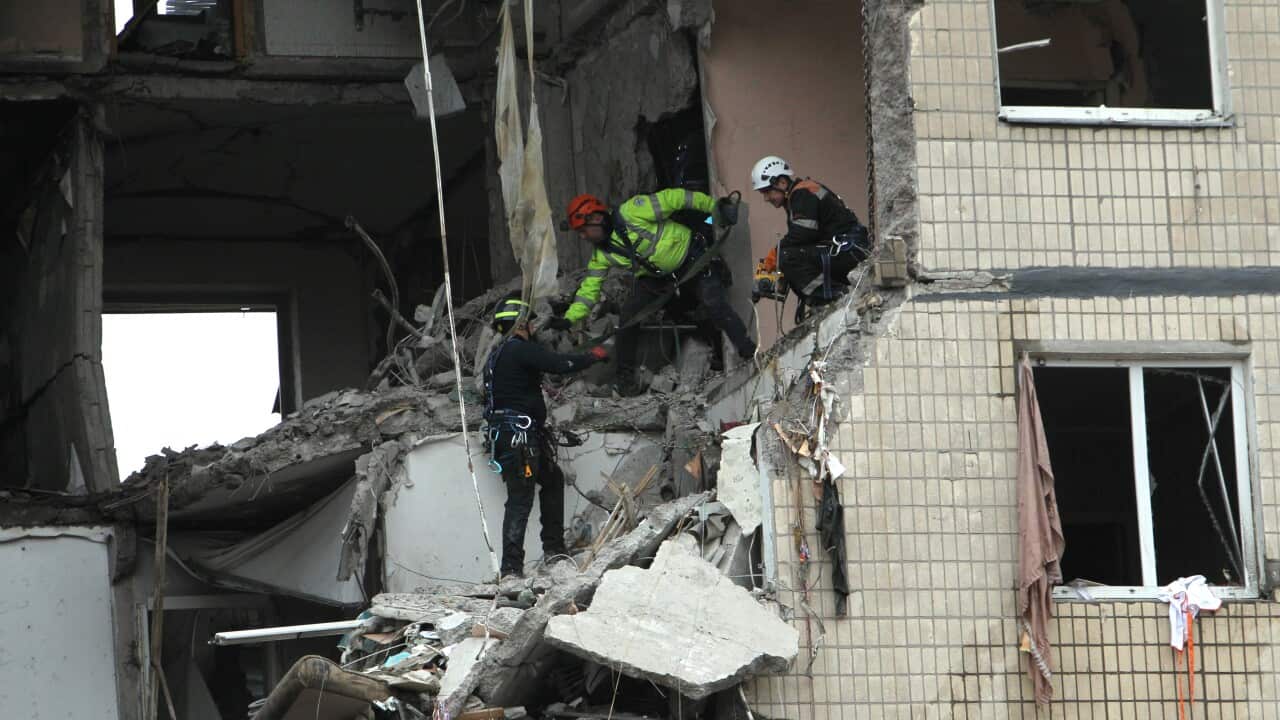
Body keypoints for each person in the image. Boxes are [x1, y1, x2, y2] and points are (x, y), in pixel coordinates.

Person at [546, 190, 756, 394]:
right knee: (629, 316)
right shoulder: (601, 255)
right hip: (657, 278)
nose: (583, 237)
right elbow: (588, 290)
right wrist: (568, 319)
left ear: (596, 218)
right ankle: (625, 380)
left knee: (713, 303)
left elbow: (677, 198)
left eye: (583, 231)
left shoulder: (633, 211)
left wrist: (715, 207)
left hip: (691, 258)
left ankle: (747, 350)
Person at [483, 294, 609, 579]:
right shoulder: (518, 349)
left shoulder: (497, 357)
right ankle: (512, 570)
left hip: (513, 436)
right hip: (519, 438)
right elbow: (558, 363)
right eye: (529, 323)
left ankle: (554, 549)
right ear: (521, 324)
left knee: (551, 480)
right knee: (520, 497)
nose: (532, 329)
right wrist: (592, 356)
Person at [750, 155, 872, 310]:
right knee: (787, 256)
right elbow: (804, 241)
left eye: (767, 192)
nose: (766, 198)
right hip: (844, 251)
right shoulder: (798, 196)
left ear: (781, 182)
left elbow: (803, 234)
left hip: (849, 252)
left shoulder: (802, 194)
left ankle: (836, 296)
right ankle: (819, 301)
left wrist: (774, 257)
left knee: (786, 256)